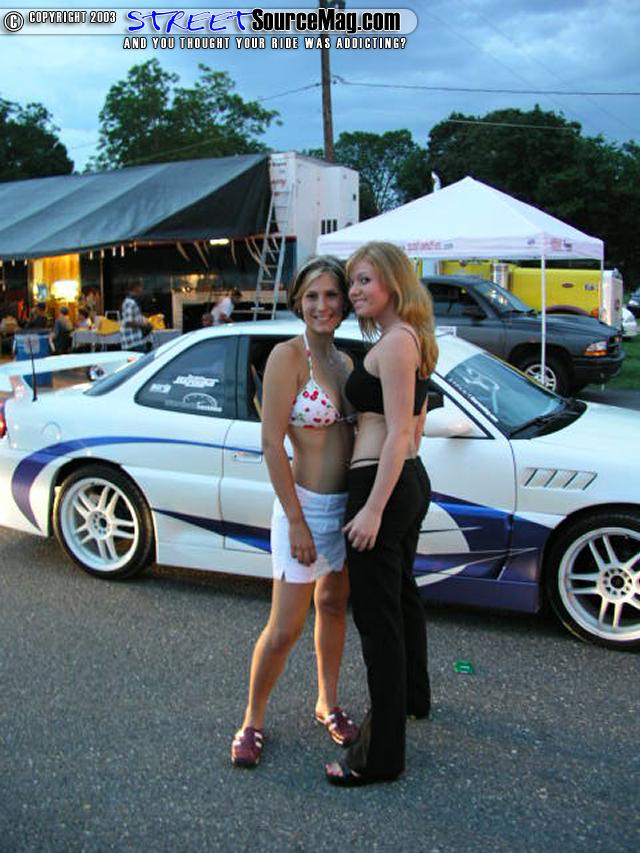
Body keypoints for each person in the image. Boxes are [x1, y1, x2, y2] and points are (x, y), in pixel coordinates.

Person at [231, 256, 358, 769]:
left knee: (333, 607)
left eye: (331, 295)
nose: (322, 305)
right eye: (312, 296)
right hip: (302, 507)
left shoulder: (346, 364)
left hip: (345, 510)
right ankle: (251, 720)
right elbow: (271, 444)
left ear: (344, 301)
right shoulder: (287, 357)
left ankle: (327, 702)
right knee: (284, 628)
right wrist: (298, 520)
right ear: (297, 302)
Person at [325, 241, 439, 787]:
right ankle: (414, 699)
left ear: (393, 282)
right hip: (407, 480)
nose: (354, 291)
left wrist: (372, 508)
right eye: (352, 282)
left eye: (364, 280)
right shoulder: (411, 338)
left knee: (378, 621)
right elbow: (416, 424)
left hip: (382, 485)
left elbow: (396, 433)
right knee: (402, 597)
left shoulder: (395, 343)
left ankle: (380, 756)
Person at [120, 283, 153, 353]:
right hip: (133, 341)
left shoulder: (131, 302)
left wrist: (144, 321)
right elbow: (128, 322)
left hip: (134, 341)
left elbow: (133, 318)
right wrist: (145, 325)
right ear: (136, 288)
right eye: (141, 288)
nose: (142, 291)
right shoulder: (129, 302)